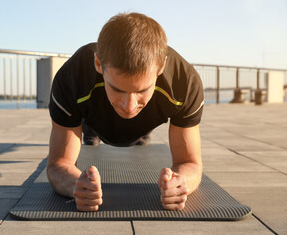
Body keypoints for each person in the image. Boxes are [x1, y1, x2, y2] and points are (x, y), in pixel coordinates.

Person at [47, 12, 204, 212]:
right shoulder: (72, 78)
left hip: (147, 119)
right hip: (94, 117)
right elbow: (59, 163)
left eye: (141, 91)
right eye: (118, 89)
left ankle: (141, 129)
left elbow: (189, 162)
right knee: (90, 130)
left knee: (138, 126)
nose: (128, 106)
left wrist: (181, 183)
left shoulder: (184, 82)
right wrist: (75, 185)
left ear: (161, 67)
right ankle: (91, 131)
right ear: (98, 64)